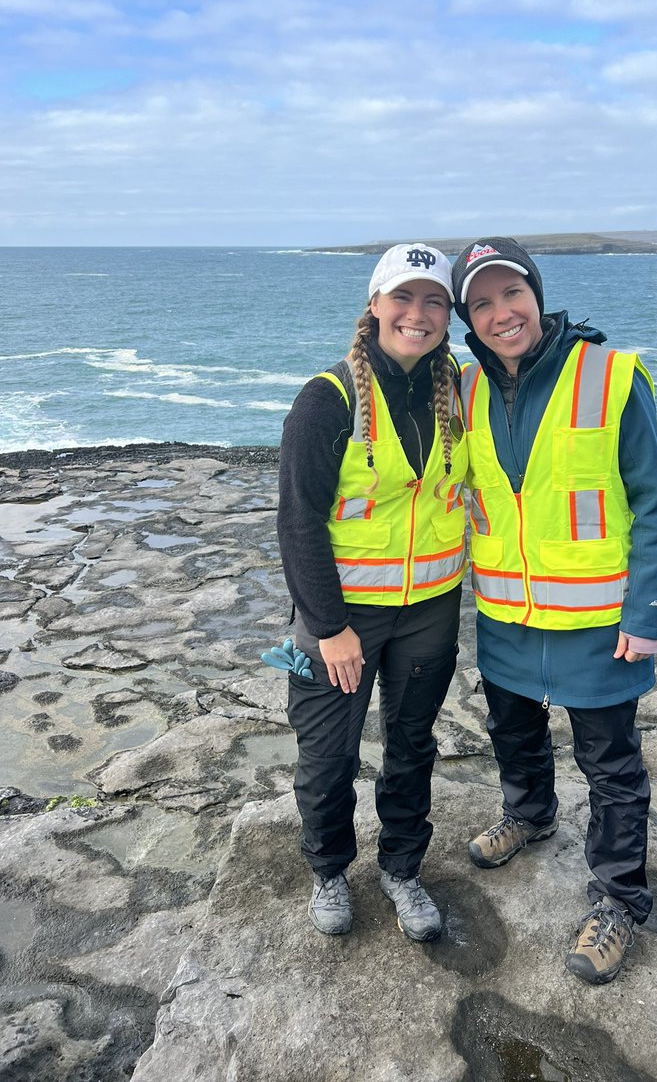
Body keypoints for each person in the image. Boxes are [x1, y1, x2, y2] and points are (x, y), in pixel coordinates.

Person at [452, 237, 657, 984]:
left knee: (611, 764)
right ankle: (531, 812)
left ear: (537, 295)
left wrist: (645, 613)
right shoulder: (461, 389)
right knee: (511, 728)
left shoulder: (611, 377)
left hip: (597, 618)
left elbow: (652, 502)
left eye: (510, 294)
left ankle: (618, 900)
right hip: (506, 613)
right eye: (480, 302)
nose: (500, 312)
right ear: (465, 318)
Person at [276, 243, 467, 942]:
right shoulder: (326, 399)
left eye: (435, 301)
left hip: (431, 609)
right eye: (404, 298)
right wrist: (328, 628)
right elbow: (297, 520)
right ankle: (329, 868)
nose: (418, 314)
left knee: (412, 747)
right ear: (376, 305)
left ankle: (402, 869)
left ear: (449, 315)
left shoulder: (460, 394)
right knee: (328, 756)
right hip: (340, 617)